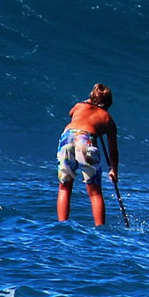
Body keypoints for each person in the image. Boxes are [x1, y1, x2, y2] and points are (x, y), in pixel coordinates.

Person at [56, 83, 119, 225]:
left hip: (67, 139)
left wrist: (88, 101)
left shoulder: (79, 106)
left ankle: (62, 225)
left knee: (64, 187)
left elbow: (71, 113)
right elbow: (113, 151)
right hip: (86, 142)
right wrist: (114, 170)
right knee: (95, 192)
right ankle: (100, 228)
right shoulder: (107, 119)